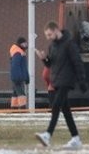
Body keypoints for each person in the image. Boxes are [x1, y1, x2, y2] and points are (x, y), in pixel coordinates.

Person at [35, 21, 86, 149]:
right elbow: (50, 64)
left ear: (57, 30)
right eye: (47, 35)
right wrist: (43, 58)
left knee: (56, 106)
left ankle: (47, 135)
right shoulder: (52, 46)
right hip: (56, 81)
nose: (48, 38)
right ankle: (76, 138)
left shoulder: (69, 44)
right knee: (66, 111)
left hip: (66, 81)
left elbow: (77, 63)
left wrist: (82, 81)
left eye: (50, 34)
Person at [9, 36, 30, 109]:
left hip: (19, 76)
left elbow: (23, 67)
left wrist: (27, 77)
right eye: (24, 44)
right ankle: (23, 107)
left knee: (15, 93)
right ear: (20, 44)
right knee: (21, 93)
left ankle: (13, 108)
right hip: (18, 77)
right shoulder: (18, 52)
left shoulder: (20, 52)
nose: (26, 45)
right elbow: (15, 66)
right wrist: (17, 77)